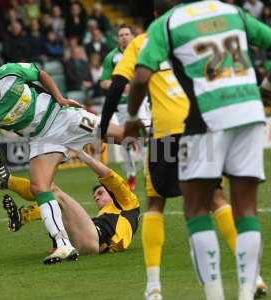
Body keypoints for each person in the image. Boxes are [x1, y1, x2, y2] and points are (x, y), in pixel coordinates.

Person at [126, 1, 271, 299]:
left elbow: (139, 77)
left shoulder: (167, 23)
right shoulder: (231, 11)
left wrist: (130, 119)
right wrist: (266, 81)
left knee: (195, 208)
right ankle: (247, 292)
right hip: (249, 112)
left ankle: (214, 295)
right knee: (245, 209)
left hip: (204, 119)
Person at [0, 57, 124, 264]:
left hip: (62, 116)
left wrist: (60, 97)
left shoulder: (10, 73)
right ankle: (63, 244)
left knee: (120, 136)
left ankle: (161, 132)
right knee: (39, 187)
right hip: (42, 138)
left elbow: (40, 73)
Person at [0, 148, 139, 254]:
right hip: (85, 241)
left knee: (52, 190)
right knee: (52, 199)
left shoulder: (129, 203)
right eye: (95, 196)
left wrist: (81, 154)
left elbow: (109, 176)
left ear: (111, 193)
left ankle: (8, 182)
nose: (96, 197)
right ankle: (22, 215)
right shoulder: (104, 216)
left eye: (100, 192)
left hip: (95, 241)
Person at [99, 24, 145, 191]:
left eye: (127, 34)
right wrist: (119, 84)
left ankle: (149, 173)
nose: (124, 37)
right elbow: (103, 82)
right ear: (117, 38)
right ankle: (131, 174)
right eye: (121, 35)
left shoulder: (141, 52)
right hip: (122, 105)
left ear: (132, 36)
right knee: (126, 139)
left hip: (143, 101)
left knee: (147, 136)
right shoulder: (111, 57)